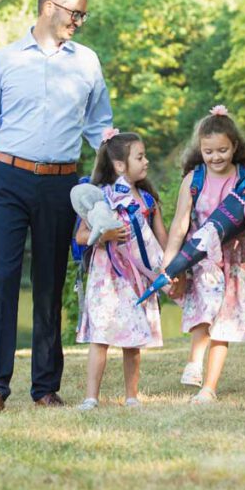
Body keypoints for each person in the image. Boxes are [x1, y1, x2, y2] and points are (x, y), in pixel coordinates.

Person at [0, 0, 112, 413]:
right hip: (7, 179)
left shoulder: (87, 62)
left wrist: (112, 179)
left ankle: (46, 387)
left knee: (49, 283)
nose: (79, 22)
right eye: (74, 13)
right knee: (3, 279)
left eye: (83, 14)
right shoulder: (5, 60)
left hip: (61, 184)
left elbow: (99, 128)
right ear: (50, 7)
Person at [163, 105, 245, 404]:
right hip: (202, 259)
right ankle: (194, 360)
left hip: (236, 261)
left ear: (234, 147)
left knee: (225, 323)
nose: (216, 157)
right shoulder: (194, 180)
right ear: (200, 150)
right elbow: (180, 224)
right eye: (209, 151)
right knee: (204, 311)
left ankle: (209, 387)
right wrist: (169, 264)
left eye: (222, 150)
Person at [75, 130, 168, 411]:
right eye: (139, 157)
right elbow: (82, 236)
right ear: (119, 165)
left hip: (137, 278)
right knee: (100, 337)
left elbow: (162, 238)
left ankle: (131, 396)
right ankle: (91, 397)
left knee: (133, 339)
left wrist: (171, 268)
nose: (146, 161)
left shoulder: (148, 200)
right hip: (107, 278)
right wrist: (106, 235)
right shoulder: (101, 197)